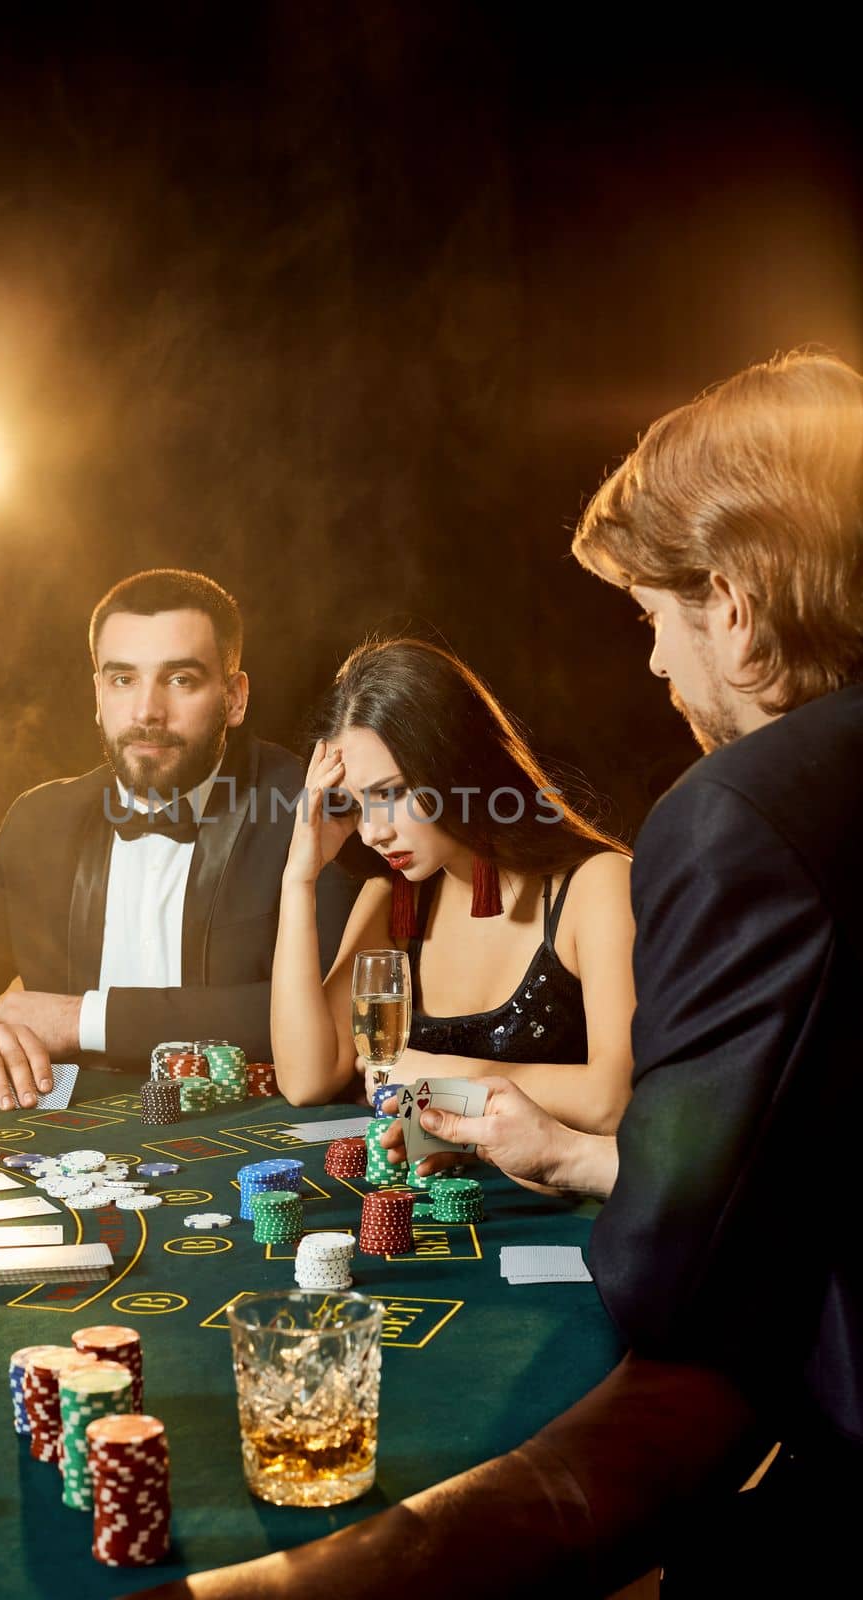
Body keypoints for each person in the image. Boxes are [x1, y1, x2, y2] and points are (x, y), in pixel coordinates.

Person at [379, 347, 863, 1587]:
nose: (652, 665)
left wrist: (628, 1199)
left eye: (654, 617)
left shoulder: (736, 815)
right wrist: (577, 1156)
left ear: (734, 603)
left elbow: (669, 1284)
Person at [0, 569, 358, 1111]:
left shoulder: (309, 805)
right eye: (123, 679)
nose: (147, 711)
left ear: (236, 697)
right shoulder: (42, 820)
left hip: (248, 1143)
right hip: (65, 1142)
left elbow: (333, 1014)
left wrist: (81, 1020)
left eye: (180, 679)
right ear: (99, 696)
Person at [271, 637, 635, 1132]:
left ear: (456, 763)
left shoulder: (597, 888)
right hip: (436, 1195)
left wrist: (437, 1076)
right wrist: (299, 879)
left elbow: (615, 1101)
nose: (373, 831)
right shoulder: (395, 899)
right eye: (357, 804)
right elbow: (306, 1080)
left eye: (393, 792)